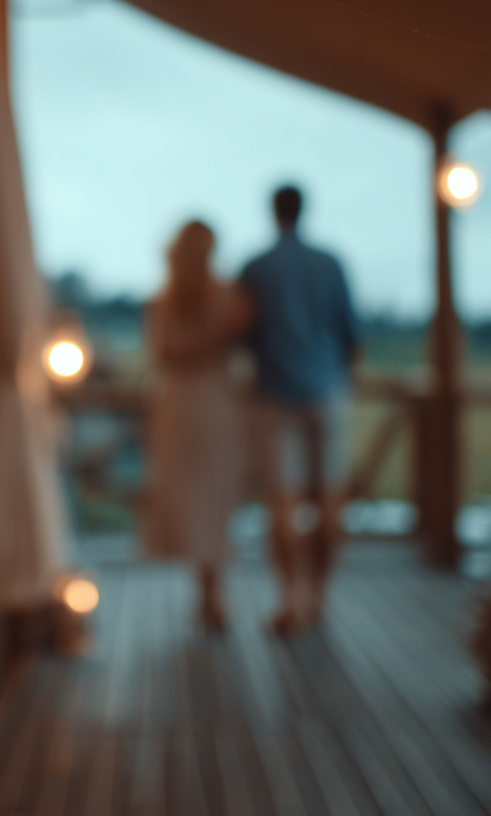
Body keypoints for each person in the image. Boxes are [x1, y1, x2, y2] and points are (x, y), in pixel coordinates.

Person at [237, 185, 360, 637]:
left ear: (272, 212)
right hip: (328, 389)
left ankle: (290, 599)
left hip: (273, 393)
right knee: (330, 501)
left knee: (282, 503)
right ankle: (319, 598)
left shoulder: (254, 267)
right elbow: (352, 333)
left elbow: (241, 333)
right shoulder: (331, 263)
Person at [142, 221, 250, 633]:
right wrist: (219, 337)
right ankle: (211, 591)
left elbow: (163, 354)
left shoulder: (163, 300)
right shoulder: (227, 299)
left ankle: (206, 590)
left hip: (179, 404)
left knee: (193, 493)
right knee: (213, 495)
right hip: (215, 402)